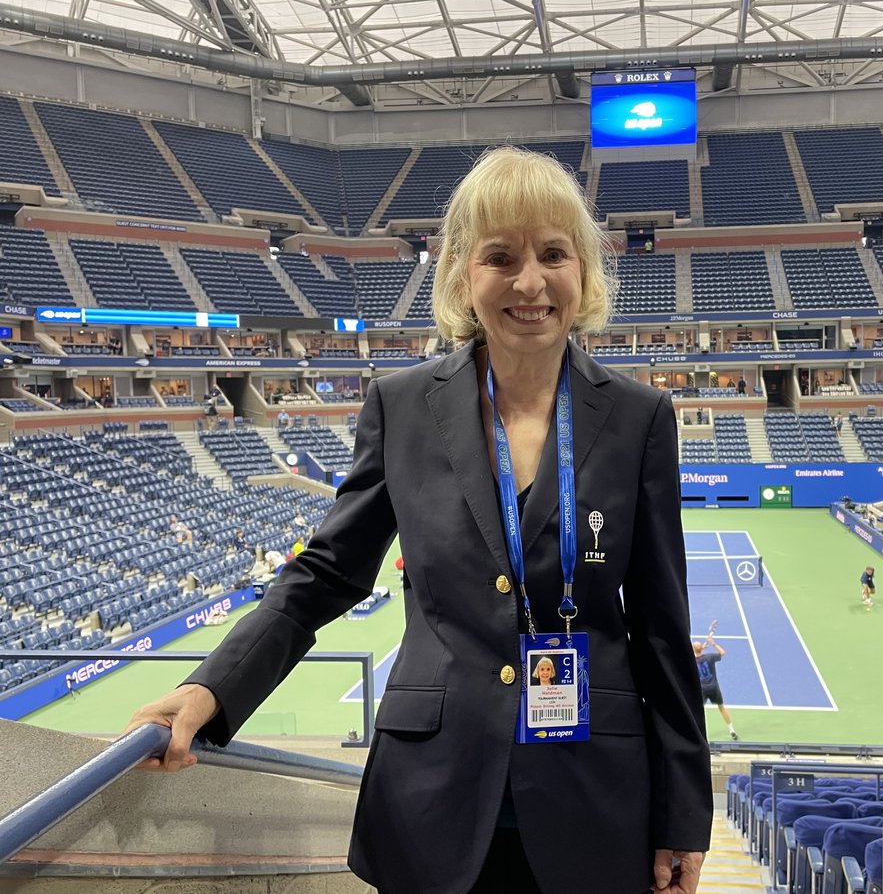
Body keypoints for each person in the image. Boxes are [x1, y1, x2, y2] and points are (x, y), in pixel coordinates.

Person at [123, 147, 711, 894]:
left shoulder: (640, 418)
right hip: (429, 799)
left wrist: (684, 814)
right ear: (465, 274)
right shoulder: (402, 406)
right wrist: (213, 689)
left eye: (553, 254)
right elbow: (327, 573)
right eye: (501, 256)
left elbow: (662, 626)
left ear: (584, 272)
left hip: (594, 799)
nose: (530, 281)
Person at [693, 636, 737, 741]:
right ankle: (732, 731)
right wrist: (713, 643)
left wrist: (701, 648)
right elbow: (722, 652)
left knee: (698, 711)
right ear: (701, 649)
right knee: (721, 708)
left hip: (702, 690)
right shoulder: (710, 657)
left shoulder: (692, 661)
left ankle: (698, 733)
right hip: (714, 688)